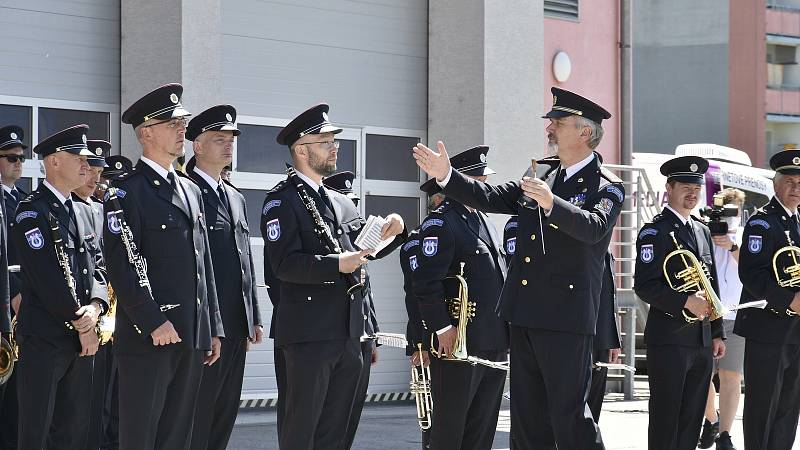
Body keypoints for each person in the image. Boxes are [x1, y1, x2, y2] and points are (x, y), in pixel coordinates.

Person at [413, 87, 623, 450]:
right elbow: (490, 197)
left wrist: (551, 203)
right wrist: (447, 176)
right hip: (524, 314)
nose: (550, 128)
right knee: (526, 421)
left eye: (558, 122)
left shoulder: (607, 187)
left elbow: (594, 228)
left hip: (566, 318)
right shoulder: (542, 172)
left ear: (585, 132)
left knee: (569, 416)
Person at [261, 103, 405, 449]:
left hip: (347, 332)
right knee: (302, 429)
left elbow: (360, 252)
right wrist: (336, 264)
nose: (334, 147)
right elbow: (285, 265)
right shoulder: (282, 201)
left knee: (336, 433)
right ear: (301, 149)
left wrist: (390, 234)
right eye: (325, 141)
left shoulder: (342, 203)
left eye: (333, 141)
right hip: (308, 334)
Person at [105, 83, 223, 450]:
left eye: (182, 122)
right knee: (141, 436)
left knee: (177, 437)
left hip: (190, 334)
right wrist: (153, 320)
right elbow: (122, 266)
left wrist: (212, 325)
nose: (181, 129)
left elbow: (203, 265)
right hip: (149, 338)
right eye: (171, 123)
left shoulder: (189, 189)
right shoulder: (126, 192)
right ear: (145, 133)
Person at [11, 124, 109, 449]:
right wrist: (81, 323)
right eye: (78, 157)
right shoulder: (31, 210)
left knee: (74, 431)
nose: (87, 164)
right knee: (36, 431)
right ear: (53, 161)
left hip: (83, 336)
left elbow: (98, 268)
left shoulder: (83, 211)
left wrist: (96, 308)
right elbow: (46, 275)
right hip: (46, 338)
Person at [410, 145, 509, 450]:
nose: (485, 185)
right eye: (479, 179)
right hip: (458, 343)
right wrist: (442, 328)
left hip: (492, 341)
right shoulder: (441, 222)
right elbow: (426, 282)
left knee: (482, 431)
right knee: (450, 432)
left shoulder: (485, 221)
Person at [183, 104, 263, 450]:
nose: (228, 145)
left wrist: (253, 315)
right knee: (197, 414)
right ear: (197, 146)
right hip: (203, 325)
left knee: (225, 411)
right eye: (219, 139)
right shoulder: (187, 192)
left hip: (235, 323)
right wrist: (210, 323)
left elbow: (245, 261)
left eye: (231, 139)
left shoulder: (234, 196)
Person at [634, 155, 726, 450]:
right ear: (669, 188)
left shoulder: (700, 230)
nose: (692, 194)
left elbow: (711, 286)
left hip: (700, 340)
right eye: (686, 186)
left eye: (697, 188)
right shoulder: (655, 232)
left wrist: (716, 331)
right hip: (669, 340)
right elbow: (645, 286)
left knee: (691, 417)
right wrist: (684, 301)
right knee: (666, 418)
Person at [322, 170, 407, 449]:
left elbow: (365, 295)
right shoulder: (330, 245)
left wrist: (372, 337)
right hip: (332, 337)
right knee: (328, 418)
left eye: (354, 203)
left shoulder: (358, 248)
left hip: (360, 337)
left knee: (350, 413)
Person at [735, 150, 800, 450]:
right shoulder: (762, 223)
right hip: (768, 330)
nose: (796, 188)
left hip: (796, 333)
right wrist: (788, 301)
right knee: (763, 407)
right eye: (789, 181)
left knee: (789, 410)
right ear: (775, 185)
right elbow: (752, 275)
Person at [698, 188, 745, 450]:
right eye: (723, 212)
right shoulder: (703, 231)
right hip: (707, 314)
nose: (728, 219)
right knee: (703, 375)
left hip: (737, 313)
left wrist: (733, 246)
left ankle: (724, 435)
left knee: (730, 377)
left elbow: (752, 267)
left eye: (733, 213)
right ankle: (711, 419)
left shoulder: (746, 235)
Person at [73, 140, 111, 450]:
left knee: (101, 393)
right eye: (89, 171)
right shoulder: (65, 207)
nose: (94, 179)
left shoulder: (102, 209)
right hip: (74, 315)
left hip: (104, 314)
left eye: (99, 172)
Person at [0, 125, 25, 449]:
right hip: (6, 303)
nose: (19, 163)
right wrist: (15, 291)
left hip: (21, 312)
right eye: (11, 157)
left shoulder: (22, 200)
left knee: (16, 395)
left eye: (22, 157)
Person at [588, 251, 621, 423]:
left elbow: (610, 295)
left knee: (593, 409)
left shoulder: (604, 246)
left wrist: (613, 340)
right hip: (576, 338)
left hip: (600, 339)